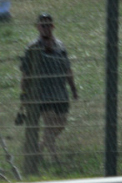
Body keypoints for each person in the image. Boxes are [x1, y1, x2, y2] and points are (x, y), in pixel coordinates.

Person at [19, 13, 78, 163]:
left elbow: (67, 69)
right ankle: (55, 159)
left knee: (60, 125)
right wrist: (24, 93)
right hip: (43, 94)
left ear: (53, 26)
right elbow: (25, 73)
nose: (46, 28)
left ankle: (39, 148)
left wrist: (73, 88)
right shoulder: (32, 48)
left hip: (60, 92)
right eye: (42, 25)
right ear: (37, 27)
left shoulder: (60, 45)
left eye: (48, 25)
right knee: (50, 125)